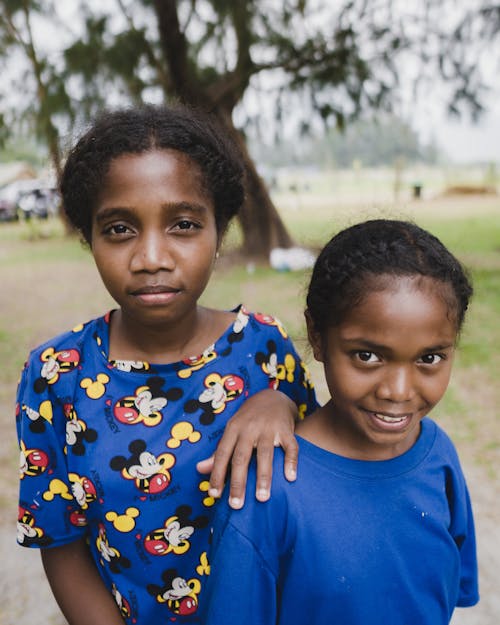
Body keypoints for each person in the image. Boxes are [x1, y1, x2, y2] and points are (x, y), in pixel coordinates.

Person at [15, 104, 317, 625]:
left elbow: (322, 471)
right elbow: (59, 540)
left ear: (219, 232)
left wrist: (280, 402)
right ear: (89, 237)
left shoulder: (265, 349)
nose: (151, 256)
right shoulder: (54, 374)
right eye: (119, 229)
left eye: (182, 224)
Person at [203, 219, 479, 625]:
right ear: (317, 335)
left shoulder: (437, 454)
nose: (398, 391)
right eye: (368, 356)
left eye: (429, 358)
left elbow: (443, 595)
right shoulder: (267, 488)